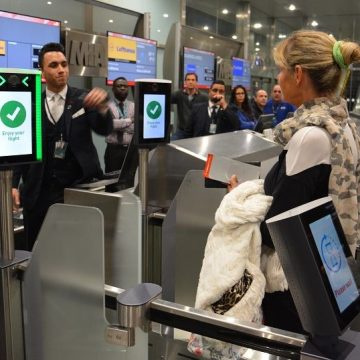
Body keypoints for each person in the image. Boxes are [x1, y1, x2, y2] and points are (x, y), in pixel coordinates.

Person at [228, 30, 360, 333]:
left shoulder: (311, 135)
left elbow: (277, 228)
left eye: (282, 69)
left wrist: (241, 205)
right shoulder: (344, 125)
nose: (278, 77)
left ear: (298, 74)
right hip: (332, 273)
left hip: (295, 289)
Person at [11, 42, 113, 251]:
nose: (61, 70)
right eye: (54, 65)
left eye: (64, 64)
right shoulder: (31, 104)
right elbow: (22, 145)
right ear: (42, 72)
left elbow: (104, 129)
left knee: (76, 249)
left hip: (76, 187)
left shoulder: (83, 99)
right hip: (38, 189)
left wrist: (103, 108)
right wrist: (13, 183)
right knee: (37, 249)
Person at [104, 76, 134, 173]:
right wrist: (130, 121)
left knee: (130, 181)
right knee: (112, 182)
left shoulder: (134, 106)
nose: (122, 88)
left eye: (125, 86)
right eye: (119, 86)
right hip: (113, 151)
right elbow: (111, 125)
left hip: (130, 150)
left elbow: (137, 127)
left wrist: (119, 124)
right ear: (113, 89)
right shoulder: (106, 106)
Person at [171, 72, 208, 140]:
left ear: (196, 82)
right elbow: (166, 99)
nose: (190, 82)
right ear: (185, 82)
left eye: (193, 80)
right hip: (182, 131)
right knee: (171, 144)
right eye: (188, 80)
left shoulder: (204, 97)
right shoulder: (179, 94)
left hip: (196, 132)